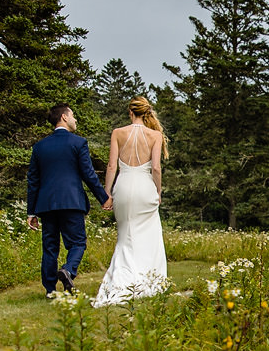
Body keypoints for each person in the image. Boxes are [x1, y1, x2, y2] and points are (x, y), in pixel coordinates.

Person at [26, 103, 111, 296]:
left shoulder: (39, 147)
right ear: (64, 117)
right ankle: (69, 270)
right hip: (72, 202)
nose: (75, 119)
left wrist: (31, 211)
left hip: (46, 205)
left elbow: (33, 180)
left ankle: (49, 290)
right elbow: (88, 174)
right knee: (77, 243)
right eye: (72, 115)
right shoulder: (78, 143)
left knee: (50, 247)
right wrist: (103, 197)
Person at [93, 97, 171, 306]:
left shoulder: (118, 133)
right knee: (149, 235)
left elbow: (111, 166)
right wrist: (158, 190)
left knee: (126, 235)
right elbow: (156, 168)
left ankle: (123, 278)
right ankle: (149, 281)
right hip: (145, 188)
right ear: (146, 113)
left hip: (124, 186)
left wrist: (107, 193)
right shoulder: (155, 135)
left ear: (130, 112)